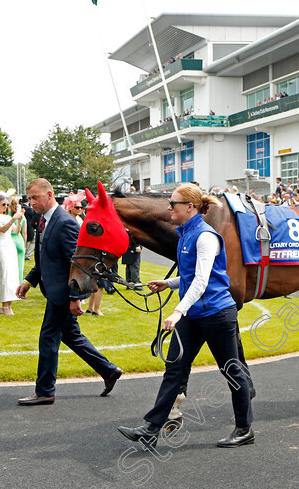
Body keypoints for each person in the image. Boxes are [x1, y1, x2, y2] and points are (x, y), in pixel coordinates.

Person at [117, 183, 253, 449]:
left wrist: (178, 310)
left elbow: (202, 281)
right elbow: (192, 276)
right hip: (194, 313)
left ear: (190, 207)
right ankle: (152, 428)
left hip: (216, 314)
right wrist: (168, 284)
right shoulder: (186, 234)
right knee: (174, 368)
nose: (169, 207)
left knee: (231, 370)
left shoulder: (205, 237)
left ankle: (244, 428)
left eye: (173, 203)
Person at [15, 178, 122, 406]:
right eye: (30, 198)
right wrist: (29, 281)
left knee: (48, 339)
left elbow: (77, 263)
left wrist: (76, 298)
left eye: (35, 197)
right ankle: (109, 370)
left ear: (50, 195)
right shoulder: (43, 220)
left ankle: (45, 391)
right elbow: (46, 258)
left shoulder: (65, 223)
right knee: (71, 336)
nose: (31, 202)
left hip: (63, 293)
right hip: (54, 290)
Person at [0, 192, 24, 315]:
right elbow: (1, 229)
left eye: (7, 205)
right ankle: (4, 305)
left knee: (13, 275)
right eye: (3, 204)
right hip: (1, 246)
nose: (5, 207)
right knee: (6, 276)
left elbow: (16, 231)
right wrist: (13, 218)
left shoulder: (8, 216)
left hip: (10, 246)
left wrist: (18, 220)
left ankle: (9, 305)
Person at [9, 196, 27, 285]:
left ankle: (10, 284)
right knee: (20, 266)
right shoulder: (22, 217)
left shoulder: (7, 216)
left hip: (9, 240)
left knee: (10, 266)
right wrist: (25, 244)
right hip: (19, 241)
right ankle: (19, 284)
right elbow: (24, 233)